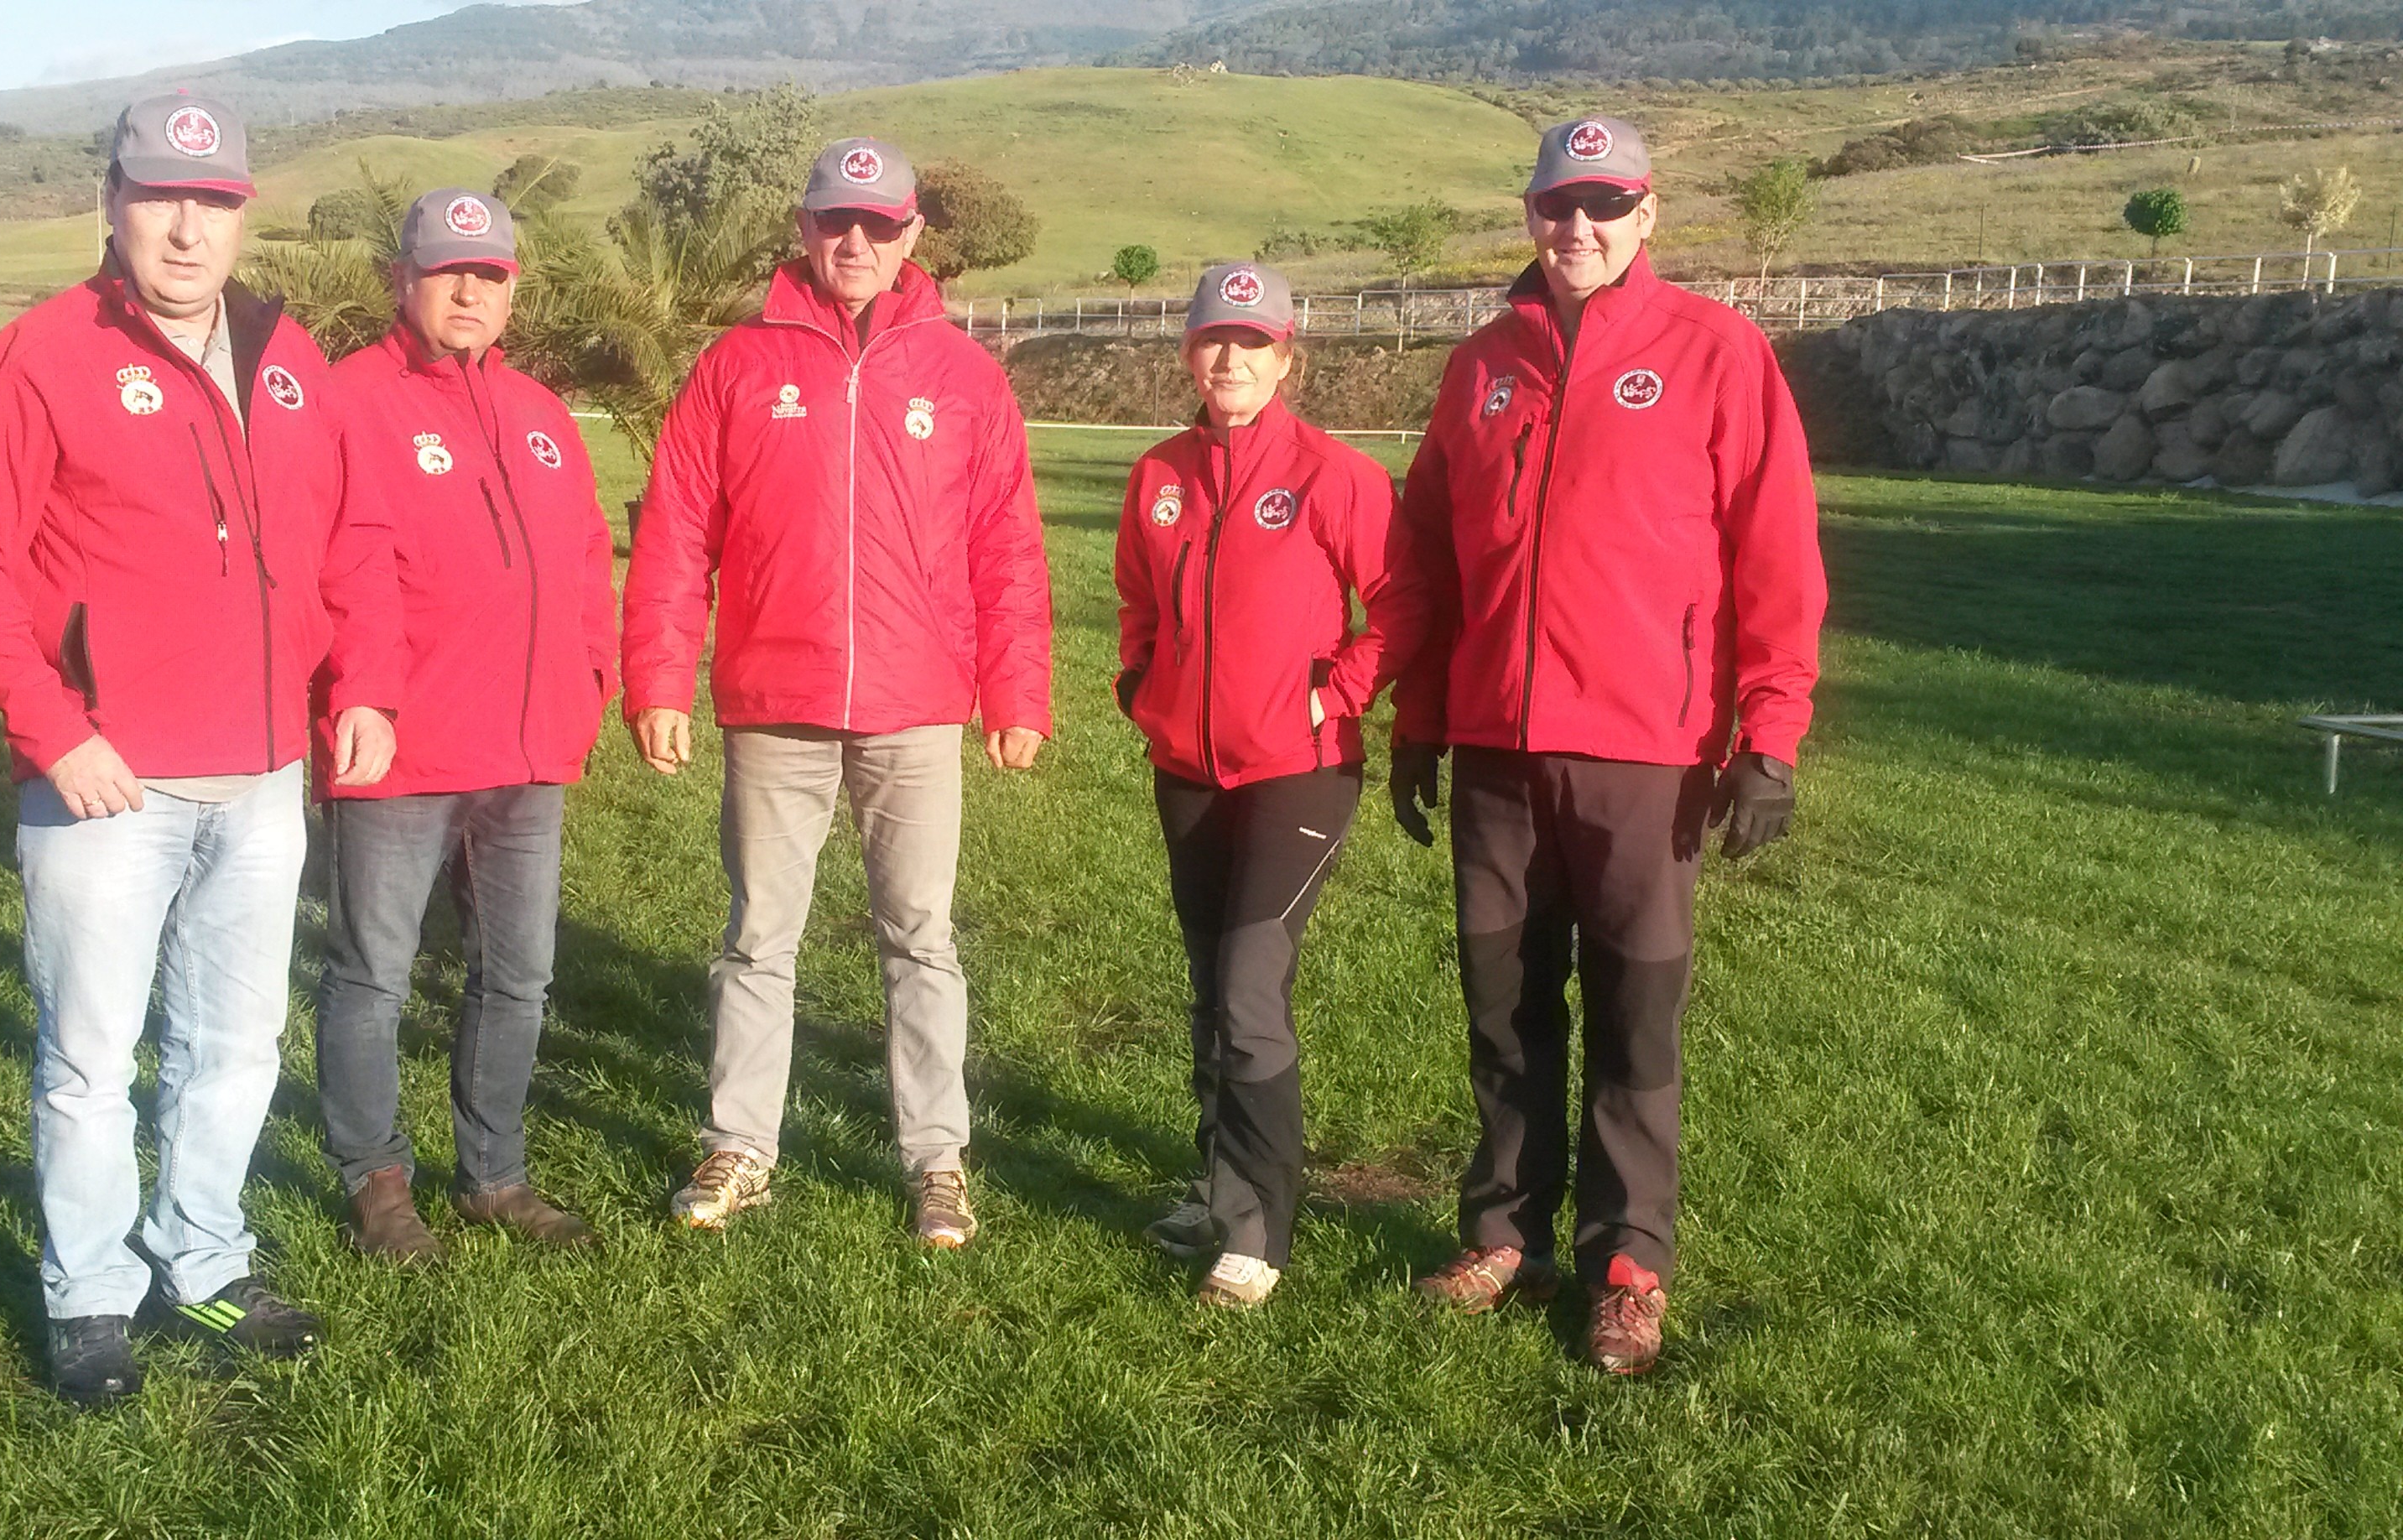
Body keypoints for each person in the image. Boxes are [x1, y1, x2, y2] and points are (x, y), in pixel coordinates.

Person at [0, 93, 393, 1405]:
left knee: (236, 1047)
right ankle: (89, 1297)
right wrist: (51, 728)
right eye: (162, 200)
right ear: (114, 204)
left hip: (265, 775)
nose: (188, 229)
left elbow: (350, 538)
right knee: (90, 1060)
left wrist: (364, 682)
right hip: (105, 782)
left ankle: (206, 1262)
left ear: (243, 214)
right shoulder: (41, 354)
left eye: (215, 203)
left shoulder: (289, 357)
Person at [1383, 117, 1826, 1373]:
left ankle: (1628, 1265)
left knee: (1635, 1016)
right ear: (1529, 211)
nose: (1577, 227)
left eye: (1604, 205)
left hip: (1647, 751)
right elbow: (1430, 552)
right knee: (1505, 1007)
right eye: (1556, 204)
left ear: (1647, 214)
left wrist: (1772, 733)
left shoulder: (1715, 351)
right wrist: (1420, 718)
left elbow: (1776, 550)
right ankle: (1503, 1235)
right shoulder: (1482, 365)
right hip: (1497, 751)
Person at [623, 136, 1053, 1248]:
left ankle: (937, 1160)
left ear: (912, 234)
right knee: (758, 937)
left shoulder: (965, 376)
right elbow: (676, 529)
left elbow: (1006, 544)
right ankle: (740, 1145)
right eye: (835, 221)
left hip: (917, 705)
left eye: (878, 223)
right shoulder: (737, 365)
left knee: (921, 937)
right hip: (776, 697)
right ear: (805, 230)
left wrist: (1016, 691)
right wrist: (659, 676)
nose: (855, 241)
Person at [312, 189, 616, 1263]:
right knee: (374, 975)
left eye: (489, 275)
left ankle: (495, 1176)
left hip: (528, 751)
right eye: (448, 272)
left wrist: (593, 674)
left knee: (519, 977)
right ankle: (378, 1184)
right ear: (402, 279)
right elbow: (341, 563)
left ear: (511, 290)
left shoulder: (540, 412)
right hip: (402, 746)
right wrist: (366, 693)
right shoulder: (350, 399)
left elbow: (587, 552)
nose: (470, 292)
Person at [1111, 263, 1403, 1308]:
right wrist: (1142, 681)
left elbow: (1403, 604)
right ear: (1188, 351)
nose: (1230, 358)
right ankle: (1218, 1185)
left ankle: (1259, 1230)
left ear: (1288, 358)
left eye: (1253, 342)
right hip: (1187, 768)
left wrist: (1338, 693)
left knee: (1248, 988)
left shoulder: (1336, 476)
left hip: (1298, 772)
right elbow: (1138, 599)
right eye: (1212, 339)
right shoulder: (1159, 474)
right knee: (1209, 989)